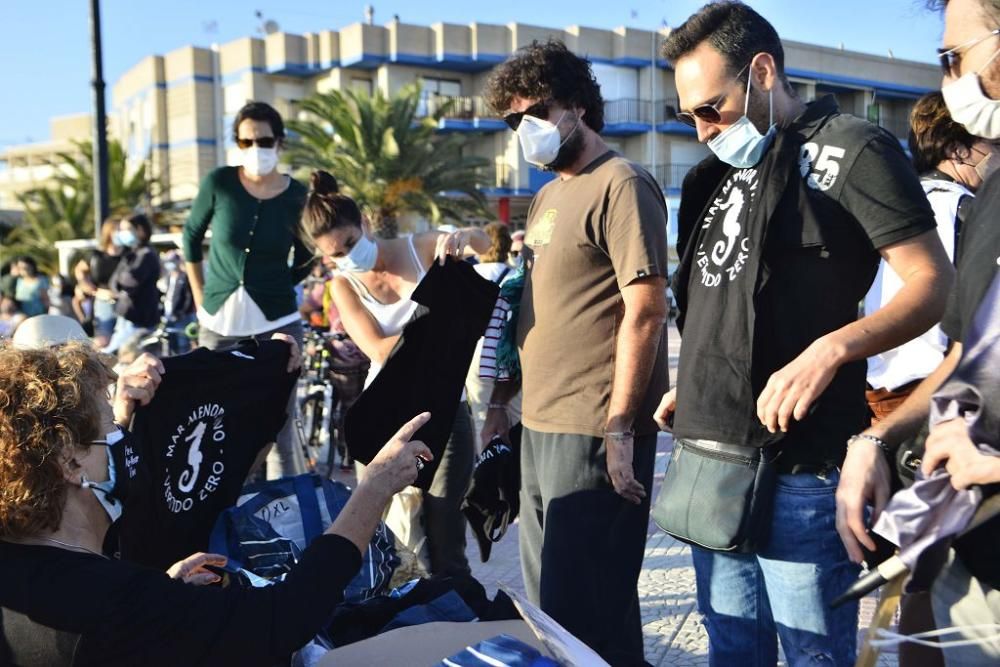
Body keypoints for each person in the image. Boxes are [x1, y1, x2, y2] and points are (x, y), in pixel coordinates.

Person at [653, 3, 954, 665]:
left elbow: (933, 282)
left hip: (804, 471)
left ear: (762, 72)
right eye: (688, 116)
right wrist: (696, 379)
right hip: (714, 463)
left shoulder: (853, 148)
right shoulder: (711, 176)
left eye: (712, 109)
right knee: (733, 651)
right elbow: (714, 292)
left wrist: (833, 347)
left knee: (814, 656)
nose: (702, 131)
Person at [0, 341, 434, 667]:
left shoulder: (22, 566)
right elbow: (283, 618)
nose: (124, 438)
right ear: (68, 460)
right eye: (111, 423)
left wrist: (169, 595)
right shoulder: (116, 599)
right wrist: (374, 488)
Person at [482, 40, 670, 665]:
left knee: (583, 607)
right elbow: (530, 307)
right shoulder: (547, 196)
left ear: (578, 107)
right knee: (556, 612)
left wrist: (619, 428)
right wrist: (502, 405)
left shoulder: (621, 184)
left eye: (534, 112)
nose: (524, 130)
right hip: (541, 423)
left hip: (592, 431)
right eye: (513, 122)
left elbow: (645, 310)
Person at [837, 0, 1000, 663]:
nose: (949, 78)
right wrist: (881, 437)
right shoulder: (988, 194)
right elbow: (966, 350)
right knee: (914, 596)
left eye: (953, 57)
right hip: (969, 520)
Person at [300, 170, 490, 578]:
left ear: (365, 223)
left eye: (351, 243)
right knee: (389, 539)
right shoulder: (345, 286)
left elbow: (486, 243)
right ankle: (405, 625)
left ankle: (454, 622)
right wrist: (444, 327)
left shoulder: (421, 247)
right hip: (388, 417)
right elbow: (380, 350)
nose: (348, 258)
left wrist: (464, 236)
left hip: (447, 409)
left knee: (446, 535)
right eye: (336, 255)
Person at [183, 101, 314, 479]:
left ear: (280, 142)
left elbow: (306, 255)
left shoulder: (296, 194)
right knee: (213, 423)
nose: (255, 148)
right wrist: (199, 294)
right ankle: (222, 518)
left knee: (279, 428)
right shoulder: (220, 183)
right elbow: (191, 237)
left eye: (263, 140)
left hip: (278, 325)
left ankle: (285, 519)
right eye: (245, 142)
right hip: (218, 324)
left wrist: (277, 287)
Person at [865, 92, 996, 426]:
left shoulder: (897, 204)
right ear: (957, 149)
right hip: (936, 393)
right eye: (995, 145)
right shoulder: (966, 209)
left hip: (880, 391)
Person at [465, 222, 522, 441]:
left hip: (476, 352)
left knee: (481, 417)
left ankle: (486, 468)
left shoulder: (469, 275)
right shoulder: (515, 276)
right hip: (508, 350)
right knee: (514, 415)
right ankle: (511, 469)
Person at [103, 214, 161, 354]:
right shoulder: (131, 254)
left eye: (126, 229)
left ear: (140, 230)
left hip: (138, 319)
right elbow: (114, 281)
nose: (121, 233)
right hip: (126, 316)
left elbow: (130, 280)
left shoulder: (146, 254)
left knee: (110, 356)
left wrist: (120, 282)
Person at [74, 218, 124, 348]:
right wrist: (88, 287)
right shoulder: (95, 255)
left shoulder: (130, 255)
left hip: (126, 303)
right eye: (119, 230)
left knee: (124, 344)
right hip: (104, 302)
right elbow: (80, 270)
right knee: (102, 342)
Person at [161, 251, 196, 354]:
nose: (170, 264)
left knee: (183, 344)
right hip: (169, 315)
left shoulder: (185, 277)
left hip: (182, 317)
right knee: (170, 343)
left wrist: (181, 312)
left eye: (172, 261)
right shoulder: (168, 277)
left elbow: (189, 298)